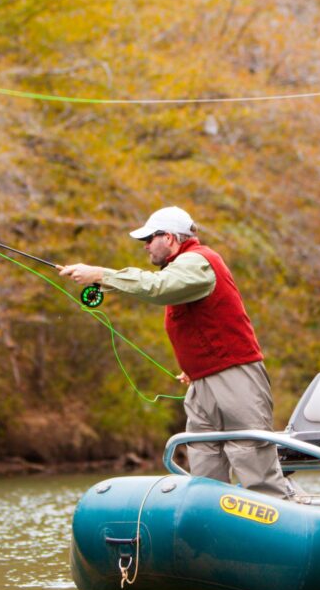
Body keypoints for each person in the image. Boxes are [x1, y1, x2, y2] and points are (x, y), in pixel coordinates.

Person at [59, 207, 294, 498]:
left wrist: (101, 275)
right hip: (202, 381)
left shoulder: (199, 261)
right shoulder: (182, 268)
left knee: (250, 454)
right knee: (204, 461)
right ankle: (211, 526)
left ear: (169, 237)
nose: (145, 246)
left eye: (148, 238)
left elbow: (158, 288)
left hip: (235, 377)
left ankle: (277, 522)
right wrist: (194, 366)